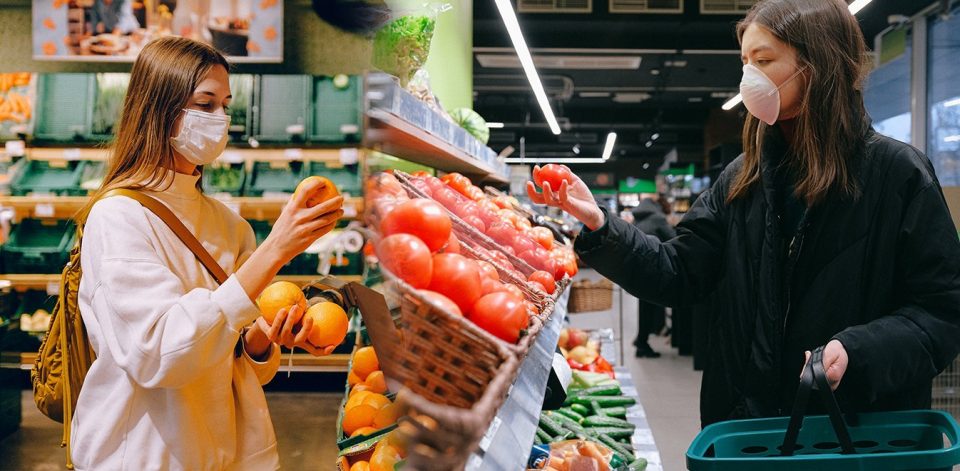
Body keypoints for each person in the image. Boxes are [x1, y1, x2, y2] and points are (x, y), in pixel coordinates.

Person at [528, 0, 960, 427]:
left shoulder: (897, 176)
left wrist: (858, 351)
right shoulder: (743, 178)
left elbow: (941, 311)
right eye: (744, 61)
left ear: (817, 66)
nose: (748, 75)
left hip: (857, 433)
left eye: (764, 59)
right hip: (747, 430)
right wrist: (601, 225)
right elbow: (678, 272)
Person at [70, 37, 344, 469]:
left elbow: (238, 365)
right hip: (144, 456)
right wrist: (275, 249)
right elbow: (160, 357)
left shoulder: (229, 224)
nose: (220, 119)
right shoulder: (118, 217)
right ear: (160, 108)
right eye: (205, 104)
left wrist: (266, 338)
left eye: (225, 105)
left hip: (225, 451)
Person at [630, 196, 675, 358]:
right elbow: (674, 239)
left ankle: (641, 340)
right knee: (649, 308)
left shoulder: (639, 218)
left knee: (646, 307)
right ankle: (642, 344)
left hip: (638, 268)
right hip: (651, 269)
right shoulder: (658, 218)